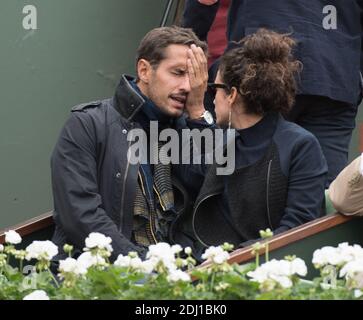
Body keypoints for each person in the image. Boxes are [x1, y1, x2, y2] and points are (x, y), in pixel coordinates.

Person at [50, 26, 213, 262]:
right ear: (144, 70)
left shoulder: (184, 127)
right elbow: (80, 215)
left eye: (194, 78)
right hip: (105, 275)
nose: (188, 87)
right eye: (178, 73)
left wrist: (198, 112)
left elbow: (211, 193)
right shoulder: (87, 123)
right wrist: (140, 266)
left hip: (179, 272)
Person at [173, 29, 328, 258]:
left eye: (215, 89)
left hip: (267, 271)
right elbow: (193, 176)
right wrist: (196, 112)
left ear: (232, 95)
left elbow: (298, 227)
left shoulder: (300, 146)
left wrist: (234, 259)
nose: (212, 97)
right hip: (209, 265)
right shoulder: (226, 143)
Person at [182, 0, 363, 186]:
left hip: (259, 74)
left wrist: (185, 48)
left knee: (240, 187)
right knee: (321, 197)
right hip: (333, 76)